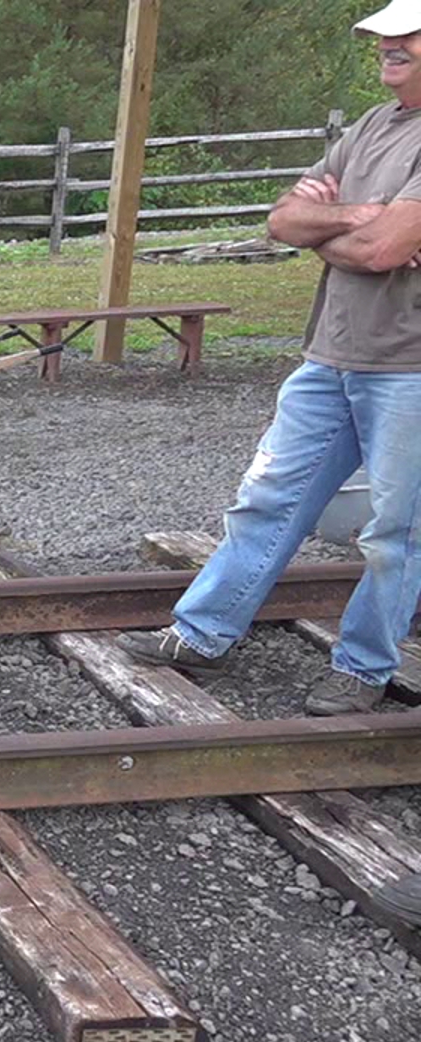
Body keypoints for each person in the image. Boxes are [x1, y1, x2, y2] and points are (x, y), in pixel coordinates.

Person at [116, 0, 421, 727]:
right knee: (268, 500)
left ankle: (363, 668)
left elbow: (385, 252)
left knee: (393, 530)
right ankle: (202, 633)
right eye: (383, 38)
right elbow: (283, 220)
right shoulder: (374, 127)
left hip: (408, 364)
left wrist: (340, 227)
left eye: (404, 37)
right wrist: (353, 217)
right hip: (332, 353)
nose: (387, 46)